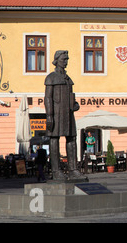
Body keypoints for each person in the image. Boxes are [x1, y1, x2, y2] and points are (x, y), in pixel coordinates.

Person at [44, 50, 84, 181]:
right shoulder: (51, 77)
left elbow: (71, 97)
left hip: (68, 113)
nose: (66, 62)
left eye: (67, 59)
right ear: (57, 60)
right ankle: (56, 171)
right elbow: (48, 98)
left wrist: (75, 105)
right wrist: (49, 115)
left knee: (72, 139)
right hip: (56, 113)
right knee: (54, 139)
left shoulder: (68, 79)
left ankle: (73, 169)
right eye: (64, 59)